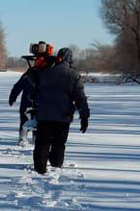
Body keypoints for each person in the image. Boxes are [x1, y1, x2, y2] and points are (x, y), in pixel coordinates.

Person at [31, 47, 89, 175]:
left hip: (44, 115)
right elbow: (80, 98)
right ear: (70, 59)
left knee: (42, 142)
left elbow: (35, 91)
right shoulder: (74, 76)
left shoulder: (45, 72)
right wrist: (84, 117)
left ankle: (40, 167)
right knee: (59, 142)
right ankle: (56, 164)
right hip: (63, 116)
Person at [8, 41, 54, 145]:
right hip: (29, 101)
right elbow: (18, 86)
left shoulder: (47, 74)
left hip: (40, 102)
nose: (38, 62)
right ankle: (23, 138)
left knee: (39, 121)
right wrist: (13, 97)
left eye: (40, 61)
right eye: (37, 61)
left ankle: (34, 138)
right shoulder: (30, 73)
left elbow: (18, 86)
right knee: (26, 119)